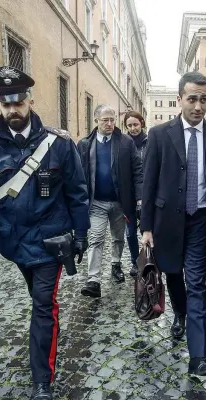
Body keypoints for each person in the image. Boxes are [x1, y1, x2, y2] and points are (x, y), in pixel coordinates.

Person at [0, 66, 90, 400]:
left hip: (51, 242)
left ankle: (41, 384)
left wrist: (81, 235)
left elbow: (78, 193)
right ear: (0, 105)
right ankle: (43, 345)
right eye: (5, 104)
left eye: (17, 102)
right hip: (14, 244)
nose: (12, 110)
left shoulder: (59, 146)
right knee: (38, 297)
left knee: (43, 305)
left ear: (29, 100)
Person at [140, 72, 206, 377]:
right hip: (167, 221)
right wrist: (146, 228)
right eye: (192, 98)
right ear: (179, 99)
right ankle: (179, 312)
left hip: (201, 222)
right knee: (173, 275)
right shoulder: (159, 134)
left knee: (197, 284)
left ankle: (199, 358)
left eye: (204, 99)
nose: (198, 106)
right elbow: (149, 182)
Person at [77, 104, 144, 298]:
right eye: (105, 120)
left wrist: (139, 199)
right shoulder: (85, 144)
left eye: (112, 119)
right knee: (96, 238)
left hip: (120, 201)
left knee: (118, 237)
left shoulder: (125, 143)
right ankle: (93, 280)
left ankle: (116, 264)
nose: (109, 123)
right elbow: (79, 174)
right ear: (96, 120)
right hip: (96, 201)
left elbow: (137, 171)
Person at [123, 110, 148, 277]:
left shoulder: (151, 142)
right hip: (129, 195)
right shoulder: (123, 144)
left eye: (136, 124)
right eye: (129, 125)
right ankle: (135, 262)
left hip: (148, 194)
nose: (133, 128)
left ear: (142, 124)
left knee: (146, 231)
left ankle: (147, 260)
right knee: (130, 232)